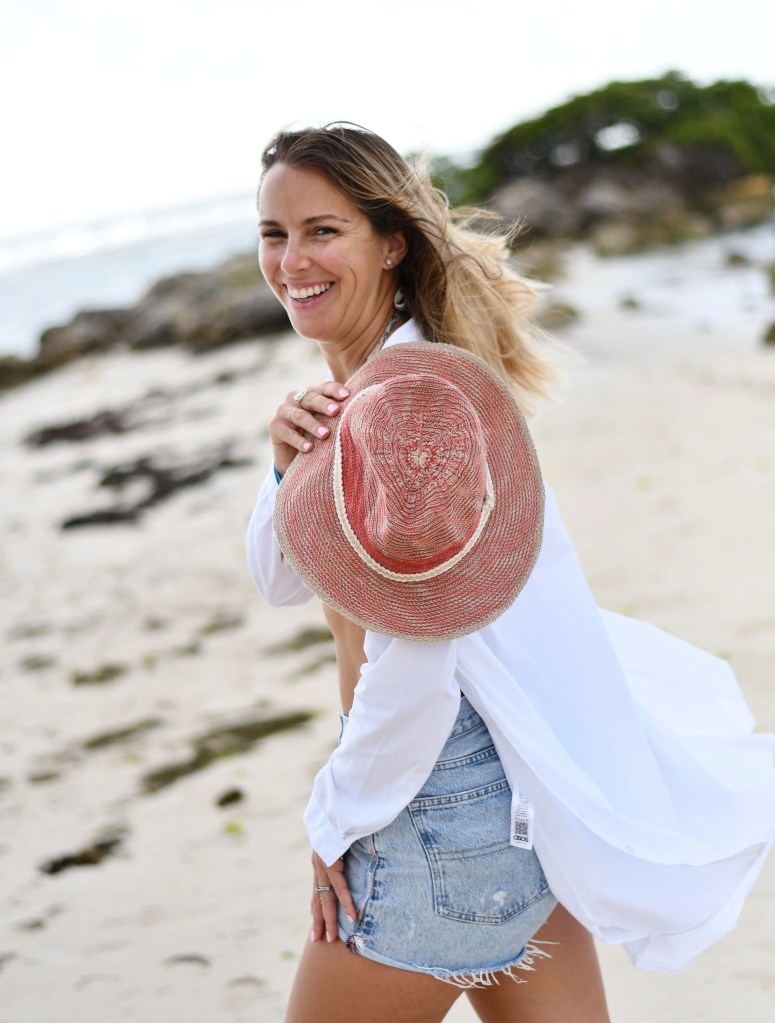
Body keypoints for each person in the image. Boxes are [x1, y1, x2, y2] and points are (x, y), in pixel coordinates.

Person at [246, 124, 775, 1023]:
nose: (291, 259)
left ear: (390, 243)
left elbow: (414, 672)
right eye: (272, 233)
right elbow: (281, 579)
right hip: (515, 794)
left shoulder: (409, 414)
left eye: (321, 230)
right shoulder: (393, 389)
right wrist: (283, 462)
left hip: (428, 806)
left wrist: (333, 821)